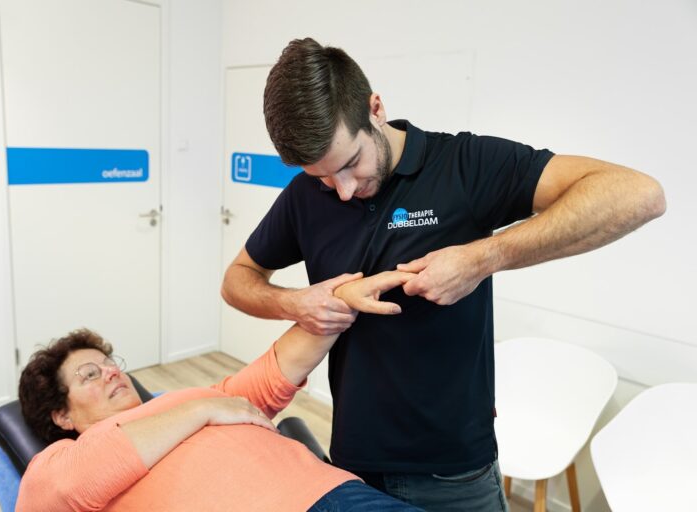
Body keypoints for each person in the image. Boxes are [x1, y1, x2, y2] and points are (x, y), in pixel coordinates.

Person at [220, 37, 667, 511]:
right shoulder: (305, 197)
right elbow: (238, 279)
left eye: (351, 164)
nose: (343, 191)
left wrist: (483, 257)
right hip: (353, 461)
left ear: (375, 109)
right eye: (324, 177)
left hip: (454, 473)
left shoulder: (465, 167)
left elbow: (637, 194)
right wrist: (296, 303)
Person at [16, 271, 422, 511]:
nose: (110, 374)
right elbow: (60, 491)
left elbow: (276, 370)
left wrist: (336, 301)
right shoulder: (59, 461)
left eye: (110, 365)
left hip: (334, 493)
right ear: (62, 415)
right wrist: (200, 413)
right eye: (90, 374)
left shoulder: (199, 398)